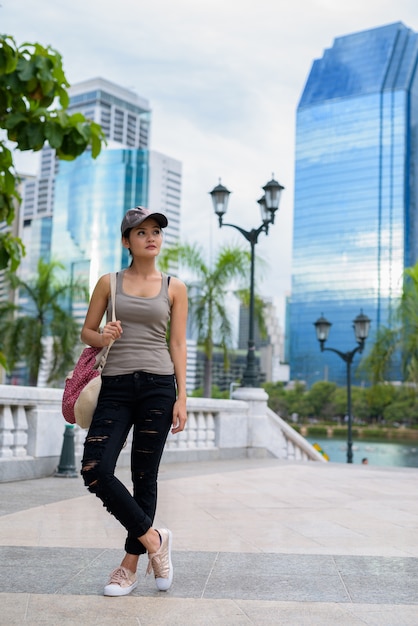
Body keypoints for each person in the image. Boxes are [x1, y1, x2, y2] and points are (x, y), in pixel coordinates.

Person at [80, 206, 188, 597]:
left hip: (159, 387)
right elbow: (87, 333)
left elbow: (177, 343)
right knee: (95, 468)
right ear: (127, 241)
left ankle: (128, 566)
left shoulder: (175, 287)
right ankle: (155, 540)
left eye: (156, 230)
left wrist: (183, 397)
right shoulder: (109, 283)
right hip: (116, 386)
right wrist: (104, 334)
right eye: (141, 232)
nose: (151, 237)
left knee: (145, 475)